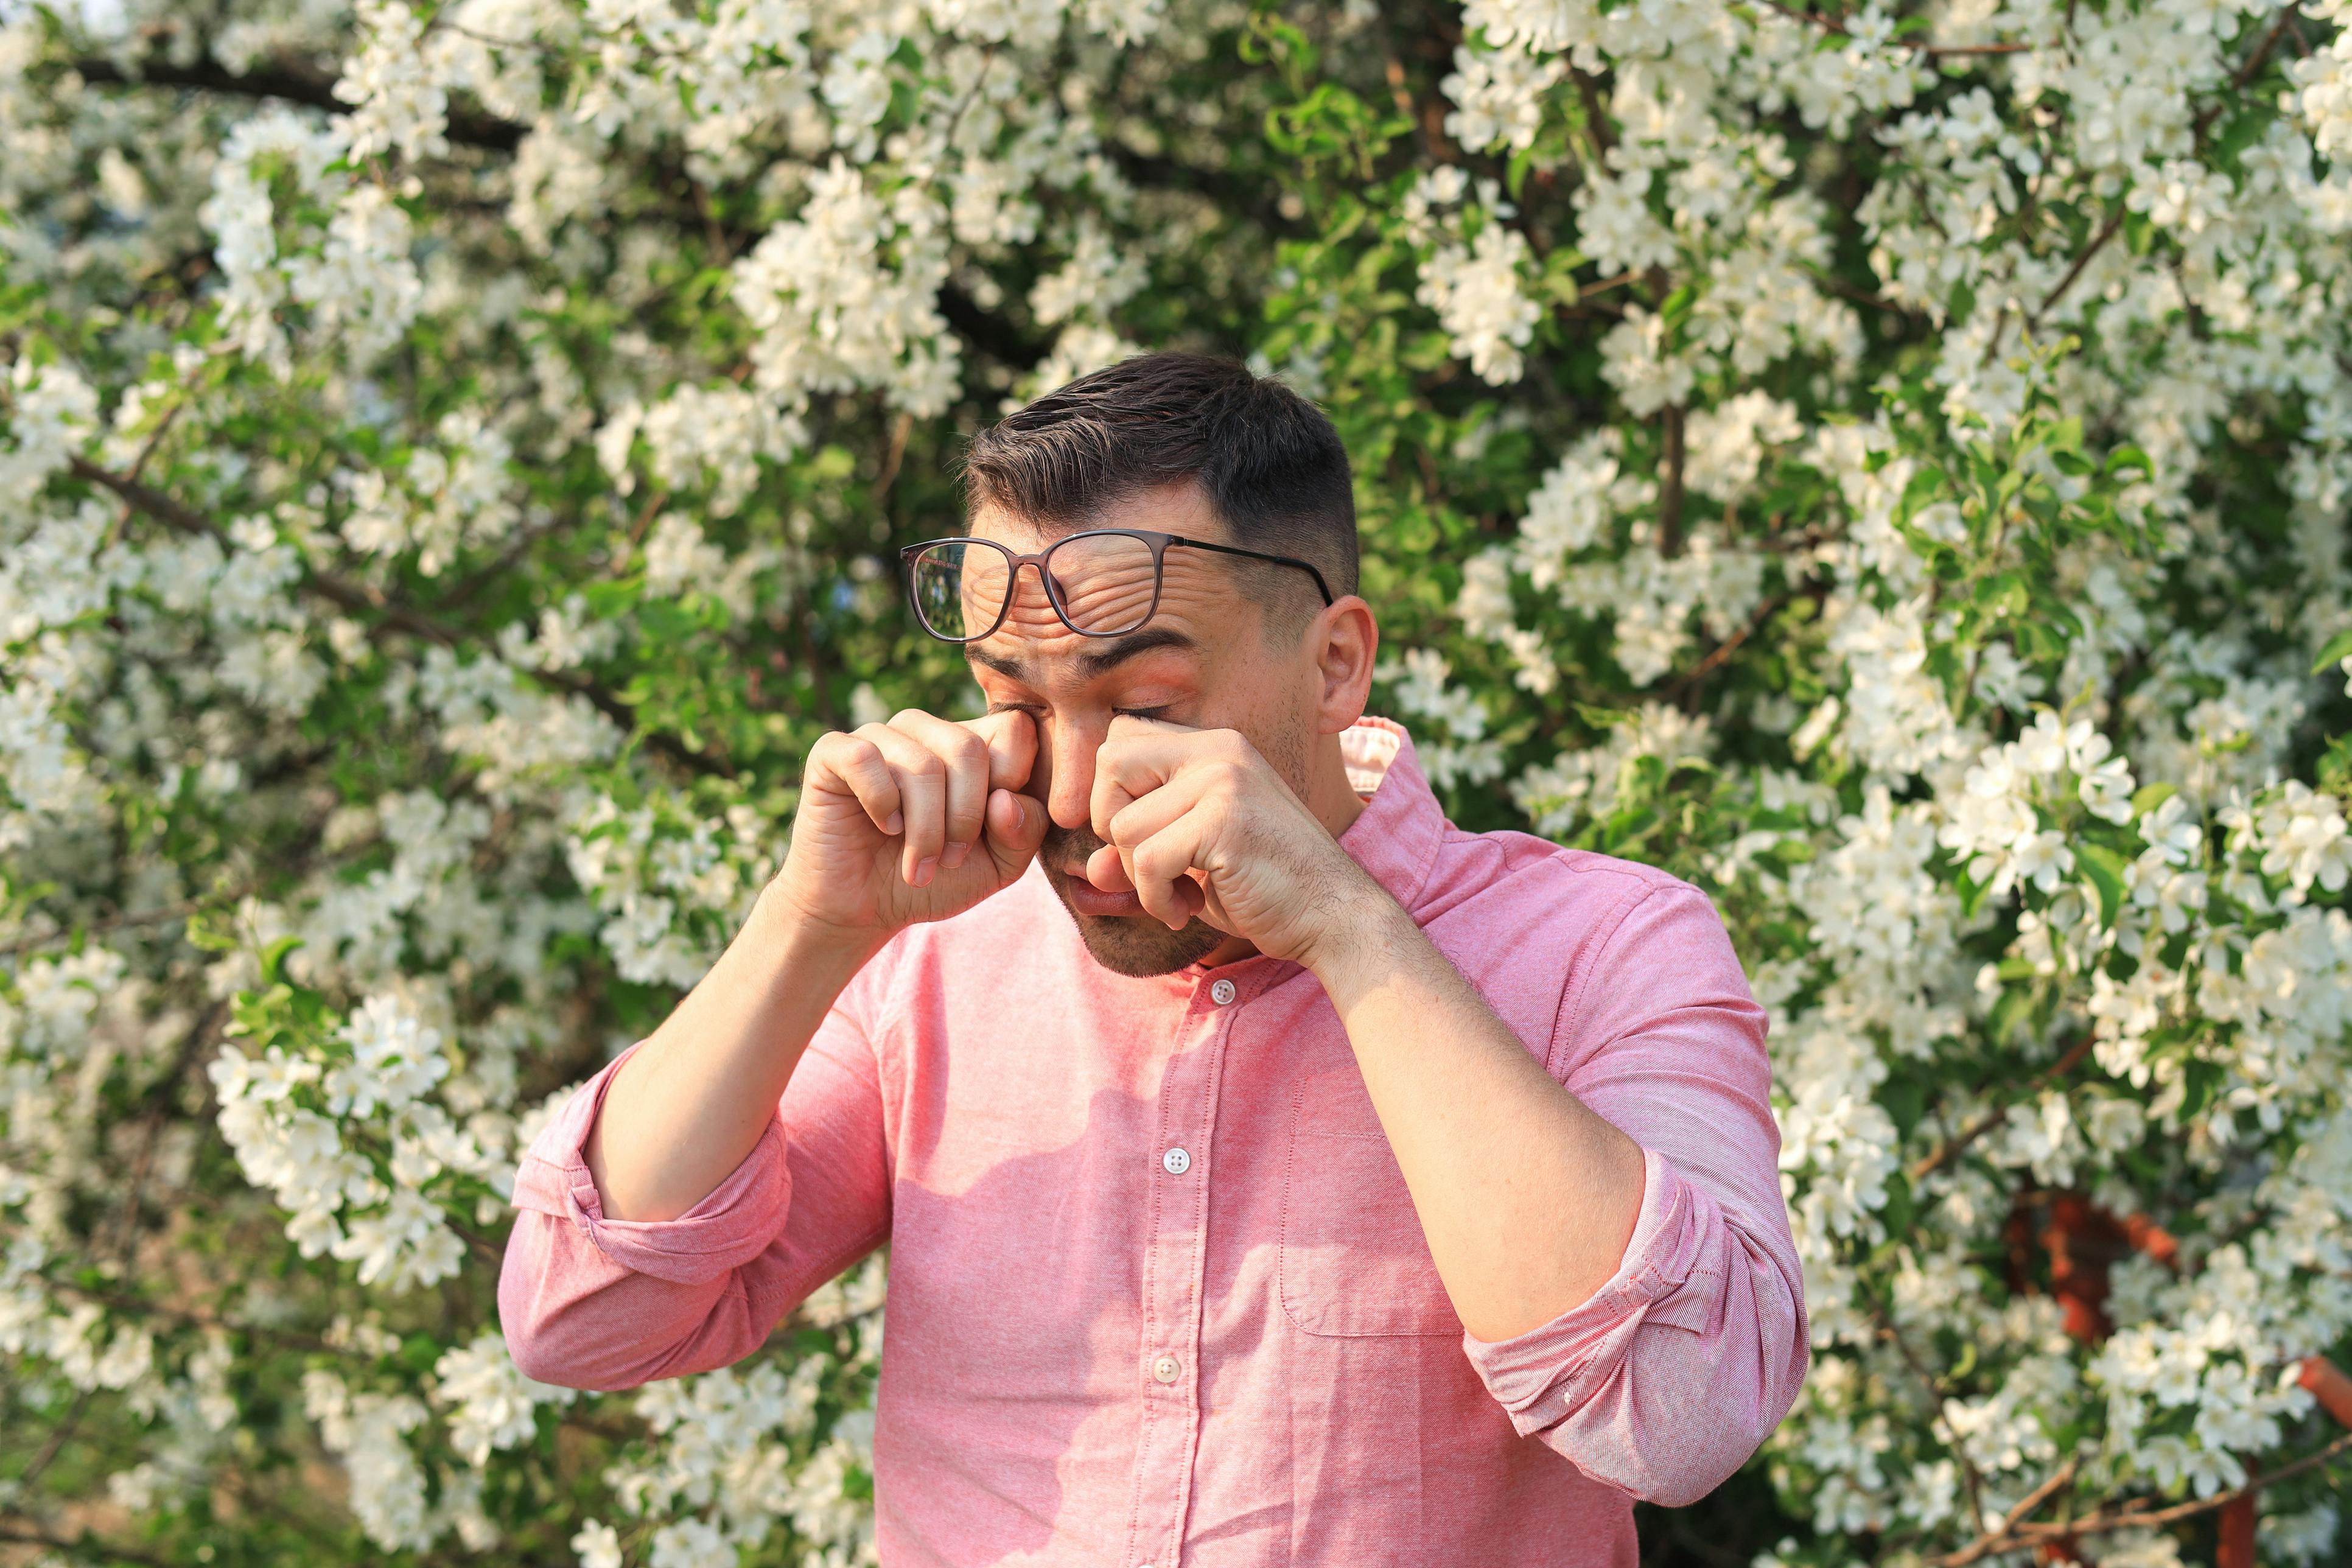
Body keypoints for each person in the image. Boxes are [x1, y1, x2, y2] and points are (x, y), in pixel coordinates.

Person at [499, 352, 1808, 1566]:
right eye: (1015, 699)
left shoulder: (1608, 946)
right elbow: (585, 1318)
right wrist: (809, 925)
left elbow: (1683, 1417)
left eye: (1141, 707)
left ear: (1336, 661)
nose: (1071, 787)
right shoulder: (931, 955)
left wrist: (1350, 932)